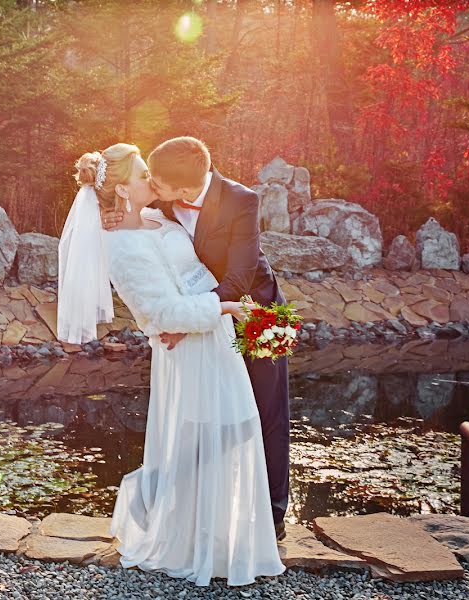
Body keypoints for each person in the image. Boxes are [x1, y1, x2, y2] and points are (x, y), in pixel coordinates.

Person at [57, 142, 285, 587]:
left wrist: (218, 313)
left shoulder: (159, 216)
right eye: (145, 177)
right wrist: (221, 312)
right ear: (123, 189)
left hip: (215, 339)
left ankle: (228, 534)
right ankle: (183, 533)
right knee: (209, 435)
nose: (153, 184)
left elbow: (220, 272)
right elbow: (160, 313)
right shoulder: (121, 246)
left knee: (244, 428)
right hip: (195, 351)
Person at [102, 137, 291, 540]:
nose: (152, 184)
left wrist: (191, 317)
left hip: (255, 309)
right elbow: (140, 232)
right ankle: (187, 506)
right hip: (205, 320)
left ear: (182, 188)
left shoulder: (242, 200)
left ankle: (272, 515)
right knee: (204, 417)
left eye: (158, 182)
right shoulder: (164, 200)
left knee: (266, 411)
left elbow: (239, 279)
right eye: (149, 179)